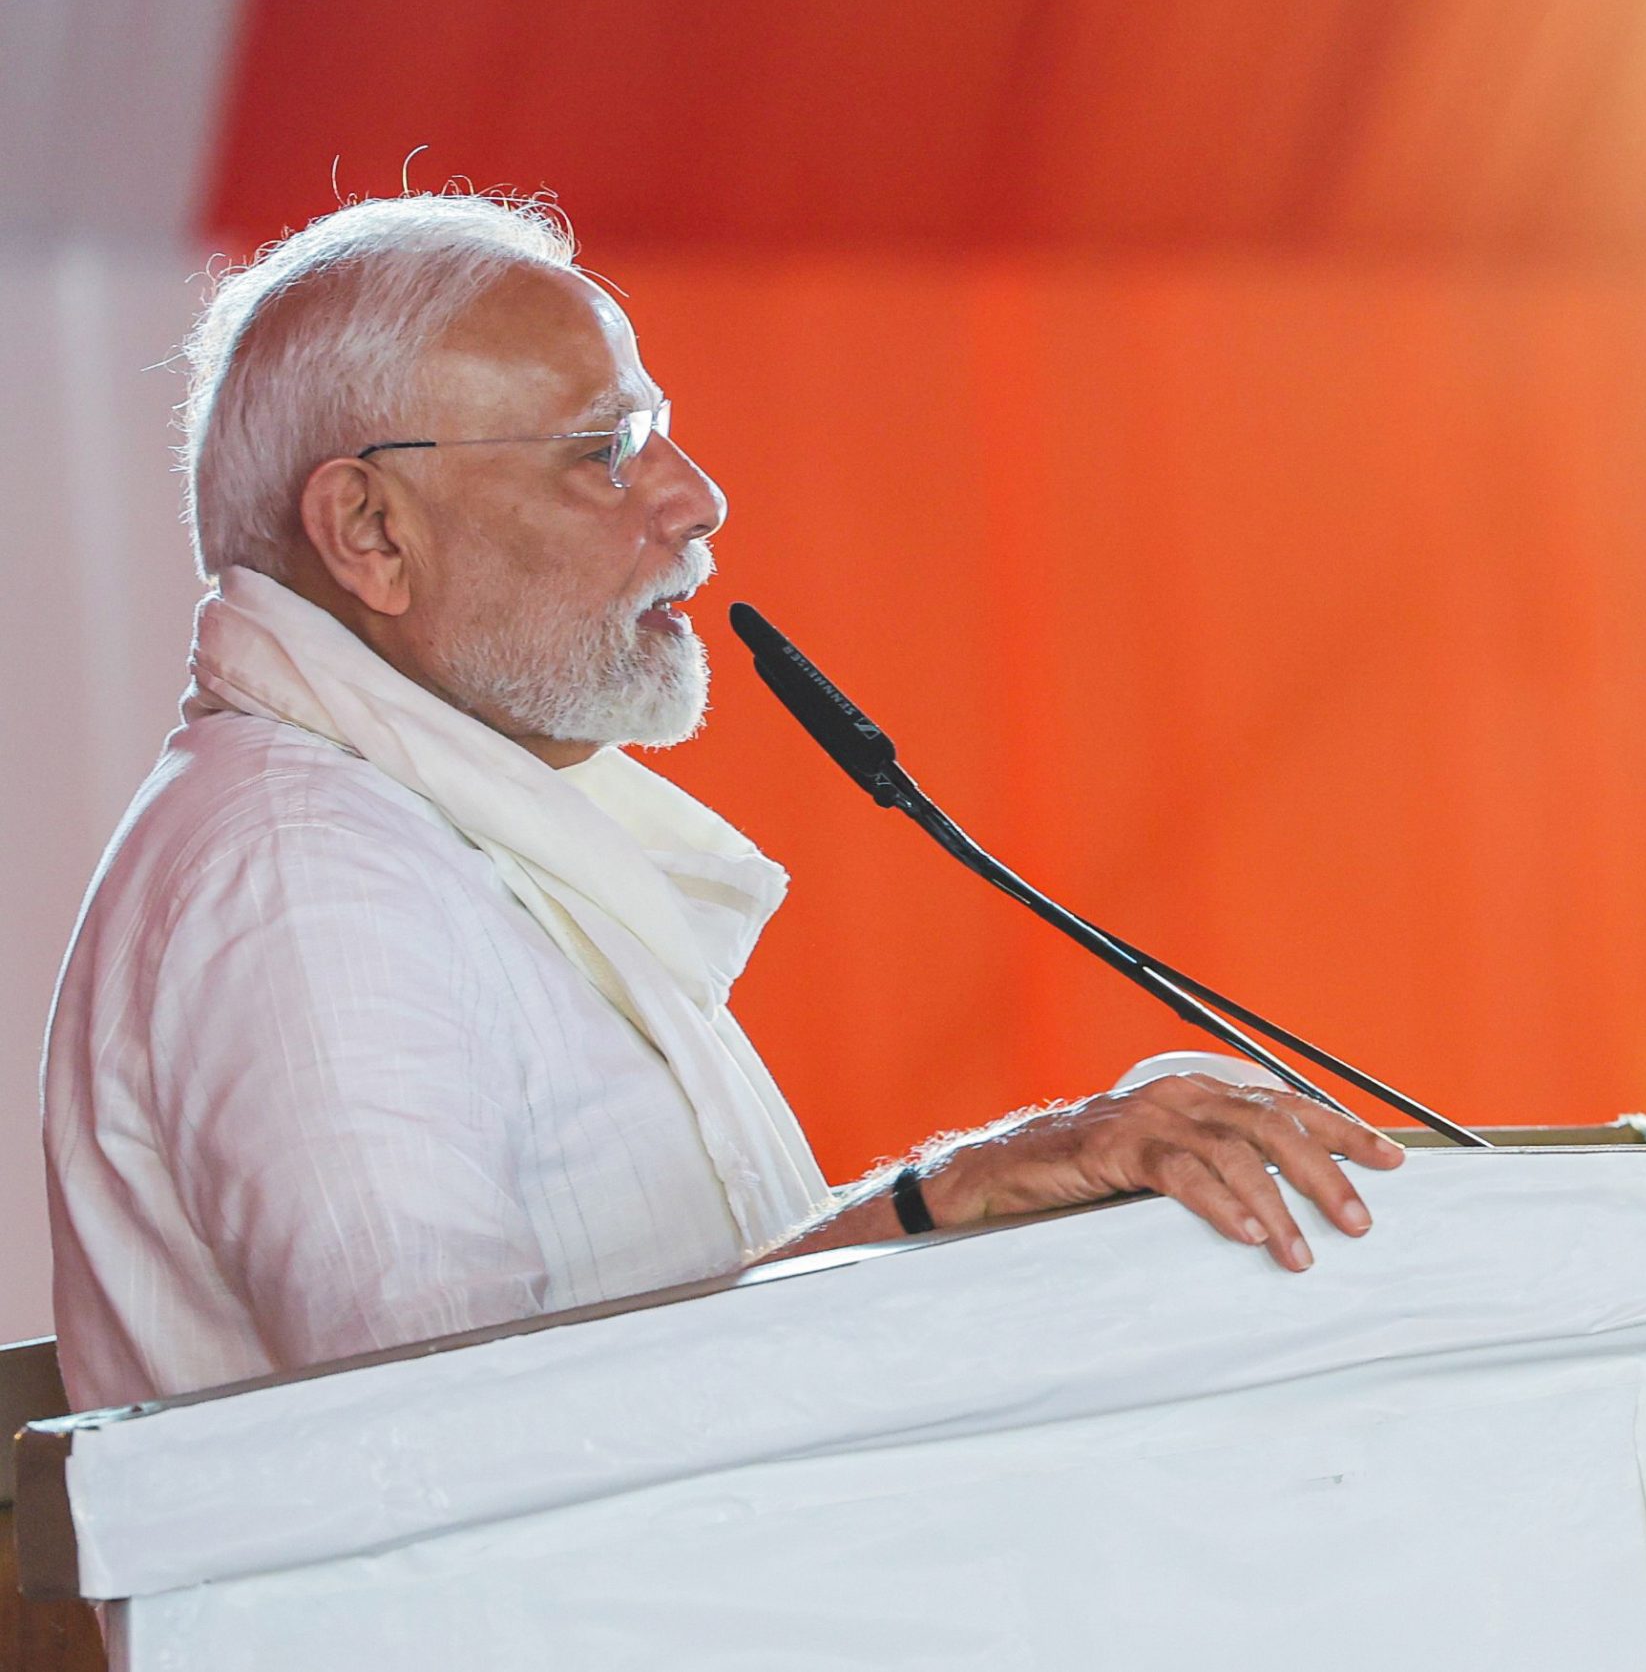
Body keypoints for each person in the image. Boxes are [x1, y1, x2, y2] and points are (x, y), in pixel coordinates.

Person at [40, 194, 1401, 1412]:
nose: (698, 499)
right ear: (371, 531)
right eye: (608, 448)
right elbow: (450, 1447)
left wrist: (1045, 1206)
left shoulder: (418, 832)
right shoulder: (304, 875)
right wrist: (938, 1206)